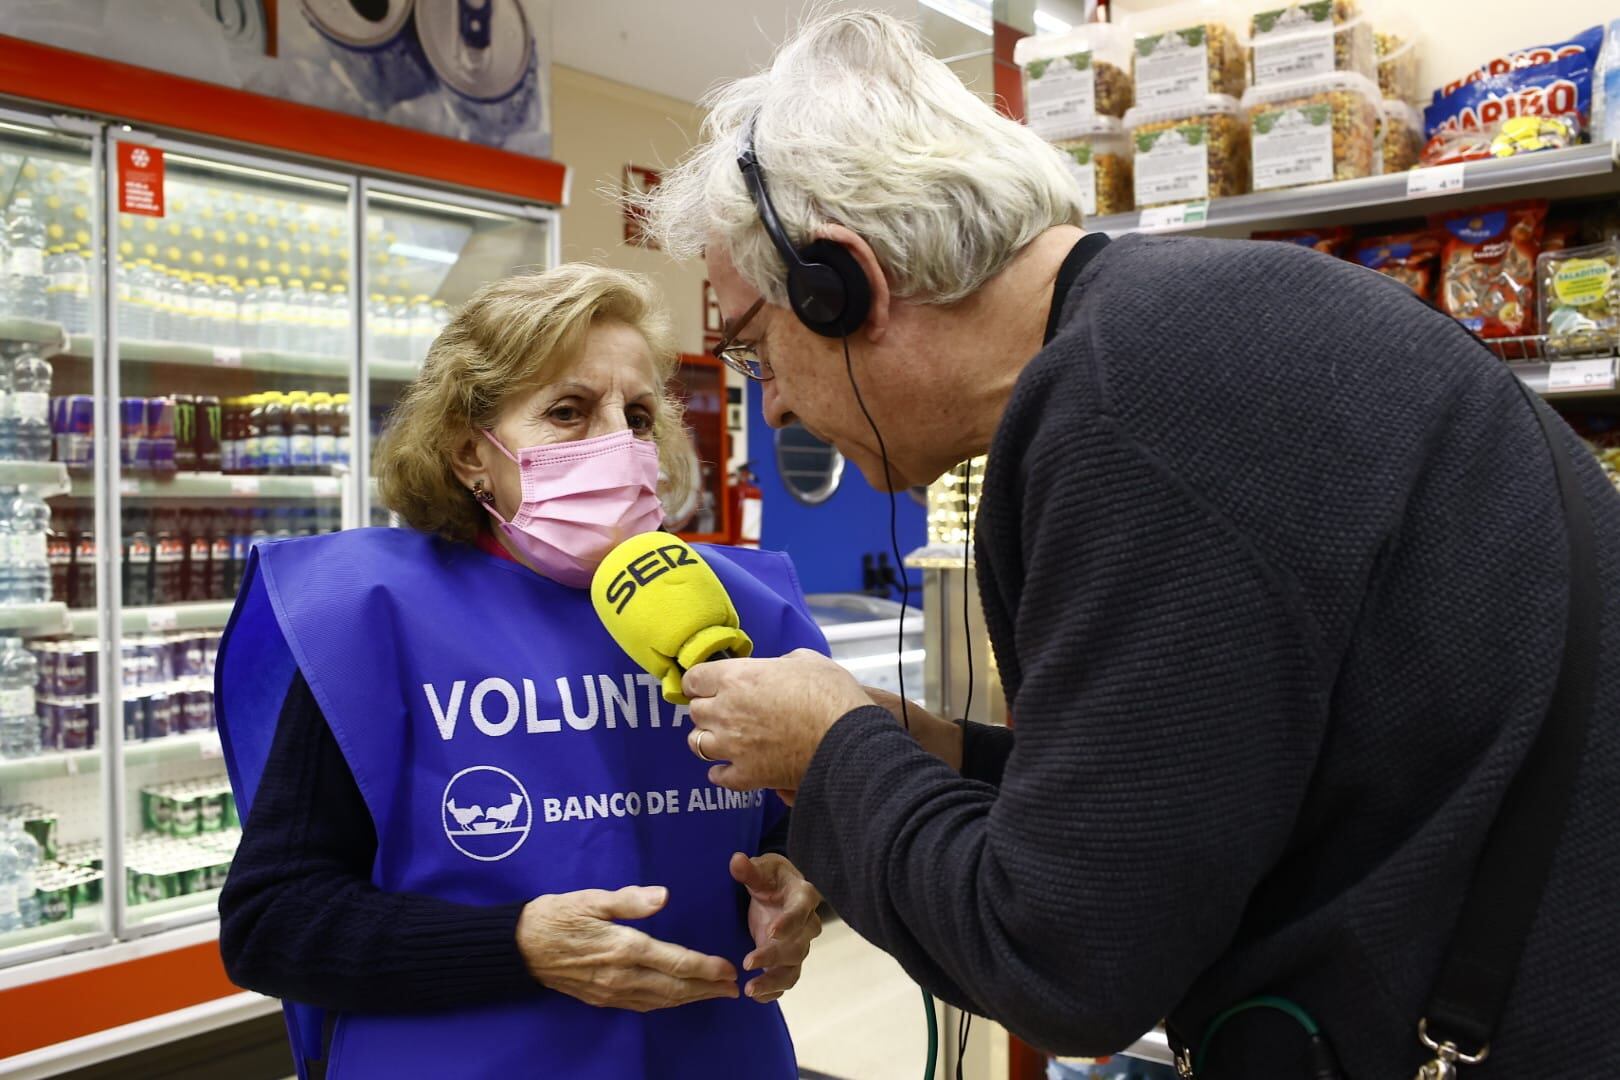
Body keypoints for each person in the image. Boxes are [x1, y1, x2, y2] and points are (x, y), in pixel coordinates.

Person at [636, 10, 1620, 1079]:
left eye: (753, 350)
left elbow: (1067, 965)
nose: (767, 409)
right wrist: (935, 749)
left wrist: (833, 753)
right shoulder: (1172, 338)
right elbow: (1181, 799)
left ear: (846, 285)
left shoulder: (1131, 413)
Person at [214, 266, 825, 1080]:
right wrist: (519, 945)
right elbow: (272, 923)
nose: (617, 442)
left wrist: (801, 881)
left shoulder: (741, 613)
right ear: (472, 453)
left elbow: (799, 822)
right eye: (569, 412)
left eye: (637, 417)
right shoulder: (375, 620)